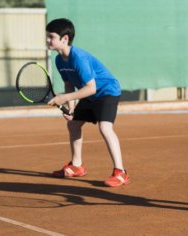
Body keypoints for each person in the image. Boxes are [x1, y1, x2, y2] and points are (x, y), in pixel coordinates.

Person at [45, 18, 130, 187]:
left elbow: (91, 88)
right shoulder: (59, 60)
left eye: (51, 37)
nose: (48, 40)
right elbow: (69, 83)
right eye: (47, 36)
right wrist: (70, 108)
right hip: (89, 94)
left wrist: (64, 98)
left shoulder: (79, 58)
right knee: (73, 124)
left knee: (105, 128)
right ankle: (77, 166)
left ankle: (120, 172)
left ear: (65, 39)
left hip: (107, 92)